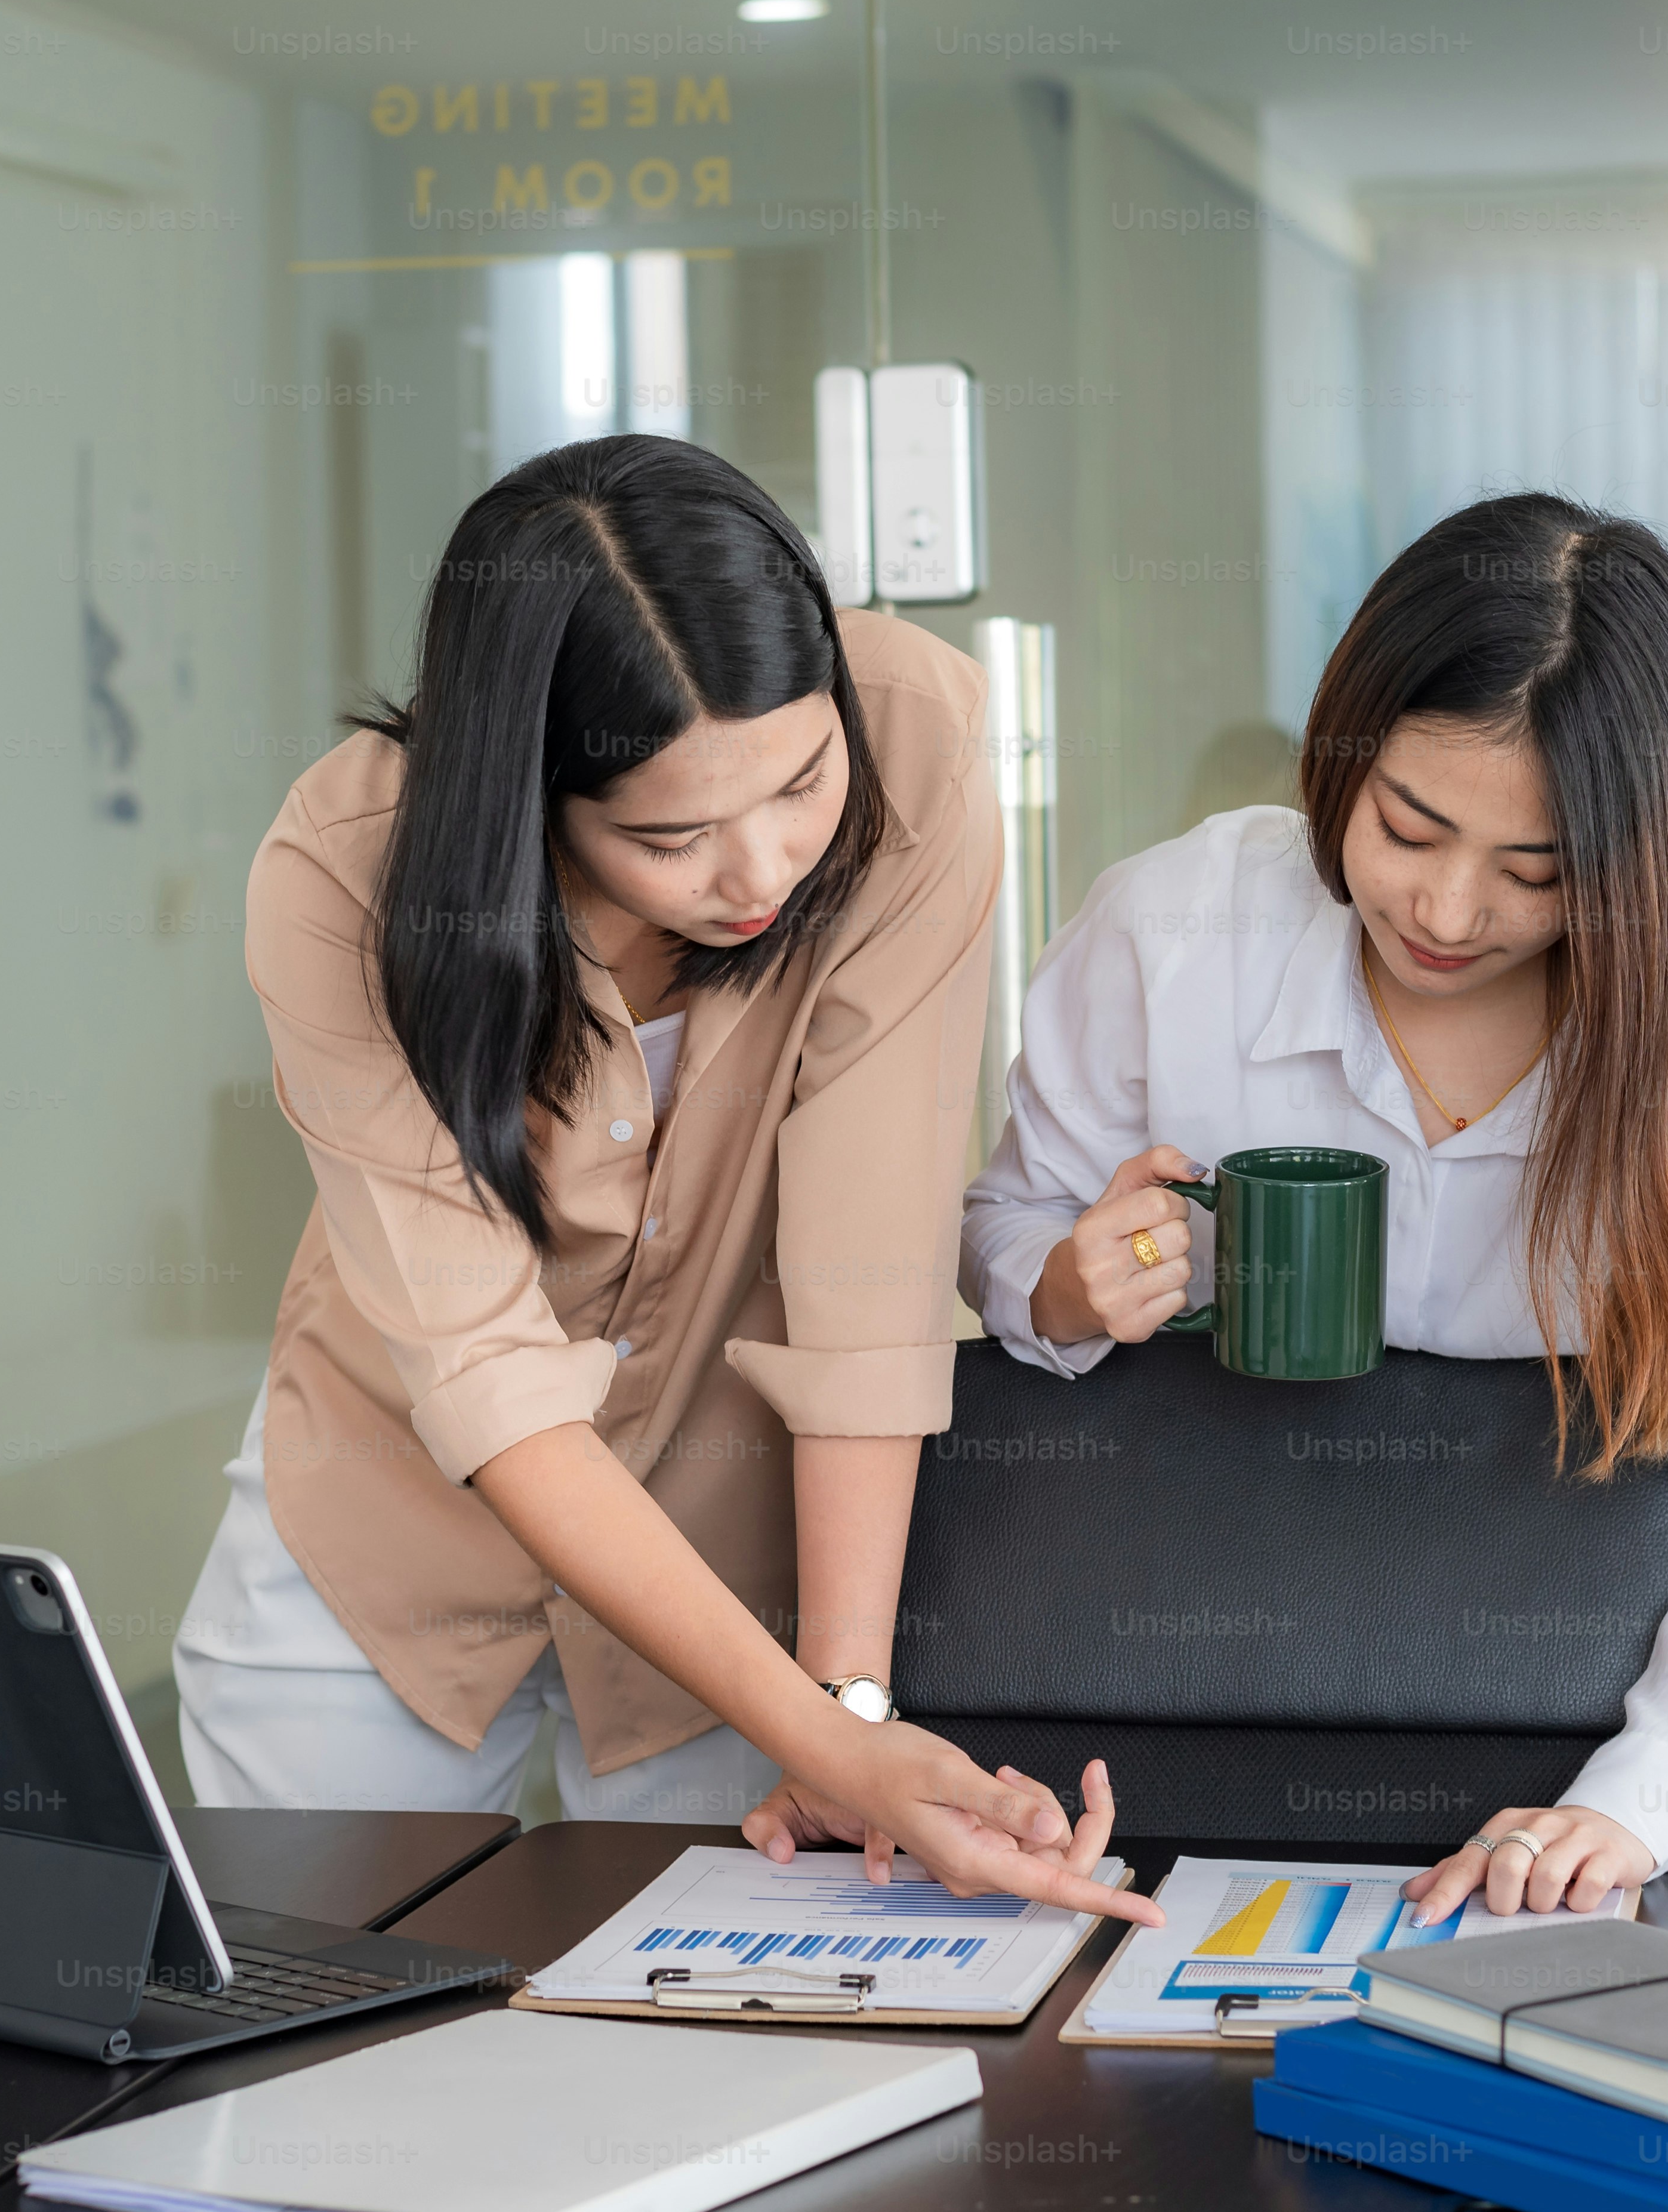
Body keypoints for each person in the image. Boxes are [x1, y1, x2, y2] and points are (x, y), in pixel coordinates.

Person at [177, 434, 1148, 1924]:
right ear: (533, 800)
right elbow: (492, 1377)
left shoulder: (922, 738)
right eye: (668, 837)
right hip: (383, 1533)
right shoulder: (344, 874)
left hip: (735, 1548)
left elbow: (869, 1284)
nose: (758, 874)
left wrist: (845, 1711)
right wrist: (834, 1741)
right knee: (319, 2028)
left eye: (801, 785)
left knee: (729, 2066)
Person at [959, 493, 1668, 1922]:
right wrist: (1065, 1286)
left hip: (1564, 1741)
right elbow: (1004, 1228)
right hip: (1172, 1703)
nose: (1450, 912)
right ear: (1346, 750)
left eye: (1538, 871)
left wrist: (1636, 1805)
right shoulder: (1178, 927)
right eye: (1409, 826)